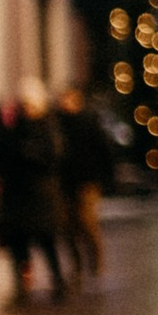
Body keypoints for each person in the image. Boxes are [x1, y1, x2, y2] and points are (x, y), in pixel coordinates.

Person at [0, 85, 67, 305]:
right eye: (24, 104)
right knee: (19, 245)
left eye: (31, 104)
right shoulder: (13, 129)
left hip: (40, 197)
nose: (27, 108)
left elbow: (52, 157)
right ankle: (22, 285)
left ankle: (57, 280)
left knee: (47, 242)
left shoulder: (48, 128)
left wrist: (28, 154)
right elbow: (2, 157)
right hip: (16, 198)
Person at [54, 87, 114, 285]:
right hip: (66, 182)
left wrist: (106, 178)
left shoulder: (89, 121)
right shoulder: (57, 123)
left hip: (88, 181)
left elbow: (104, 151)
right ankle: (77, 265)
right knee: (68, 226)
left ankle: (96, 261)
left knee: (87, 221)